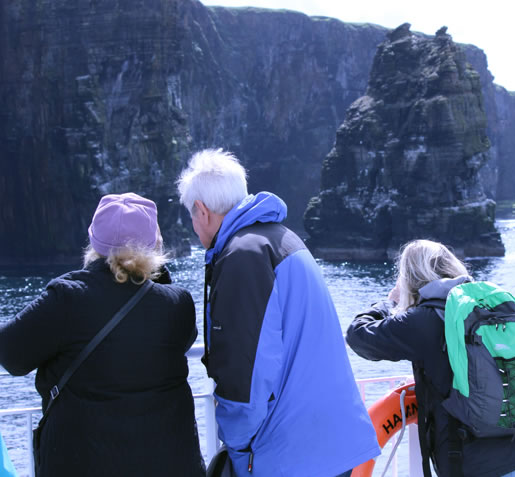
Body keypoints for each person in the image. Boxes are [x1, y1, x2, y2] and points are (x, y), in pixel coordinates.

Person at [176, 149, 380, 477]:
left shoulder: (243, 257)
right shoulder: (282, 240)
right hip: (331, 444)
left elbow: (247, 372)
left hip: (291, 456)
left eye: (191, 215)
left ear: (202, 210)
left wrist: (238, 447)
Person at [0, 192, 205, 477]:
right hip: (168, 464)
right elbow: (181, 336)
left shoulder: (68, 298)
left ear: (93, 241)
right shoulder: (177, 305)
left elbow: (11, 353)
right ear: (154, 245)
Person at [346, 239, 515, 477]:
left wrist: (390, 301)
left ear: (410, 279)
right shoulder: (491, 302)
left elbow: (358, 334)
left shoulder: (422, 320)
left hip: (478, 465)